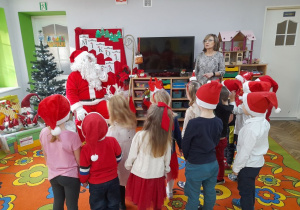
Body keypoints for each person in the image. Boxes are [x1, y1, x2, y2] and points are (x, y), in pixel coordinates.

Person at [231, 92, 280, 210]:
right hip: (257, 163)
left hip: (247, 165)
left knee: (245, 190)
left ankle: (247, 206)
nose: (242, 106)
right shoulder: (263, 122)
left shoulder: (251, 130)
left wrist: (236, 168)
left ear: (252, 110)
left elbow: (244, 152)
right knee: (250, 186)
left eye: (244, 104)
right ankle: (245, 203)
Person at [182, 81, 223, 210]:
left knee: (193, 195)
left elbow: (185, 144)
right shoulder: (218, 121)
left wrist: (188, 157)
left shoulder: (194, 123)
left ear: (199, 102)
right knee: (210, 191)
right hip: (212, 163)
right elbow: (216, 141)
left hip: (195, 165)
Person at [125, 103, 173, 210]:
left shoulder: (140, 135)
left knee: (142, 200)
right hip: (157, 176)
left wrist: (128, 165)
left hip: (140, 174)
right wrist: (166, 170)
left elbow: (132, 155)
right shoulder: (166, 140)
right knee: (156, 201)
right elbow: (167, 161)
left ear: (149, 118)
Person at [38, 94, 82, 210]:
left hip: (53, 175)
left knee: (57, 202)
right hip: (70, 176)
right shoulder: (73, 136)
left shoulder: (43, 133)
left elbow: (45, 155)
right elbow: (79, 160)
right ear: (66, 114)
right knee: (72, 205)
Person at [66, 50, 115, 141]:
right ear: (80, 62)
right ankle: (84, 144)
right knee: (82, 120)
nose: (90, 61)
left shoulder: (96, 71)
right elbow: (70, 93)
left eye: (90, 59)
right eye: (87, 59)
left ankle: (107, 139)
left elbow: (111, 82)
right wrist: (78, 108)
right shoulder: (73, 76)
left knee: (111, 113)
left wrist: (102, 75)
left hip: (100, 101)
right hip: (84, 104)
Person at [79, 112, 122, 210]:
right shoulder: (112, 141)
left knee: (98, 206)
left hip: (95, 184)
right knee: (114, 204)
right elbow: (119, 157)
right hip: (113, 179)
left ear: (84, 131)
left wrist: (83, 180)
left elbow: (84, 169)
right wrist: (113, 165)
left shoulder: (86, 148)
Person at [150, 89, 182, 199]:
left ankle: (158, 191)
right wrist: (181, 147)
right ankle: (169, 191)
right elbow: (178, 135)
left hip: (156, 151)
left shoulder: (152, 117)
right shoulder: (173, 117)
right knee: (170, 173)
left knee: (157, 172)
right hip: (170, 151)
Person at [106, 94, 137, 210]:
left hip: (118, 163)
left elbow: (108, 147)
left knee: (119, 184)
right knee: (128, 181)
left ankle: (121, 204)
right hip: (131, 160)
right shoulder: (131, 124)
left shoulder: (113, 130)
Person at [215, 86, 234, 184]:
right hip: (223, 138)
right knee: (220, 158)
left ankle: (219, 178)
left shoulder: (219, 108)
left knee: (218, 159)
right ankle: (219, 176)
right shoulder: (229, 107)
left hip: (218, 139)